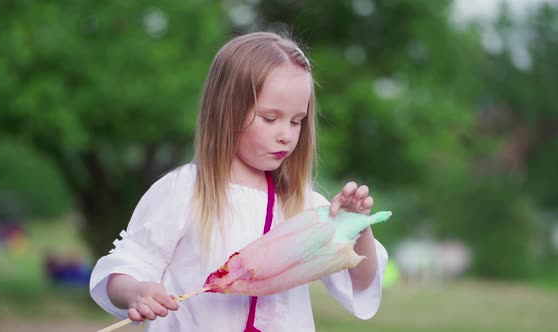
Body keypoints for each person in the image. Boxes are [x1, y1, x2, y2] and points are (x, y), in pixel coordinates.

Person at [90, 31, 388, 331]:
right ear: (227, 112)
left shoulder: (304, 206)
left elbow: (360, 283)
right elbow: (125, 270)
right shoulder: (184, 191)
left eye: (296, 121)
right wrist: (137, 292)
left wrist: (357, 229)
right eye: (270, 118)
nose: (286, 133)